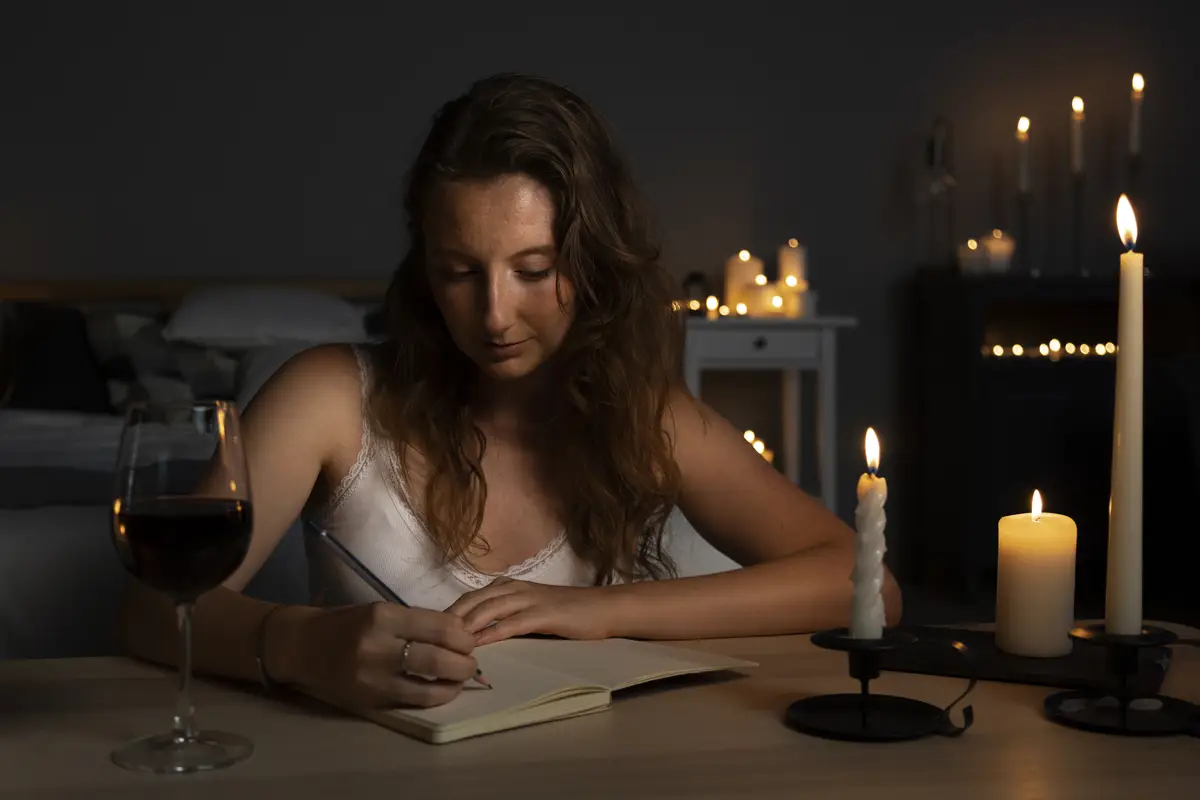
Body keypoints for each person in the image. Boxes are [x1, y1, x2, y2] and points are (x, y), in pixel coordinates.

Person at [117, 73, 901, 711]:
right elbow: (152, 609)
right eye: (460, 272)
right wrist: (298, 645)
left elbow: (862, 582)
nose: (493, 315)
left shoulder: (646, 415)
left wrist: (596, 613)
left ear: (592, 263)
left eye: (533, 271)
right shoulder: (329, 396)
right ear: (424, 270)